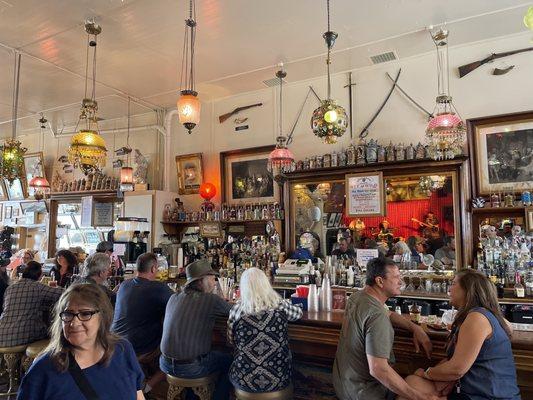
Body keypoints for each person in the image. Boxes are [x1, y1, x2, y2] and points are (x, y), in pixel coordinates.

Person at [400, 269, 520, 400]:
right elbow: (455, 363)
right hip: (473, 391)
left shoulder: (477, 317)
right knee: (413, 384)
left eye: (453, 283)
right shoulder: (483, 315)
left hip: (488, 395)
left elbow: (456, 369)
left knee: (412, 387)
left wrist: (426, 373)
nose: (449, 289)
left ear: (468, 290)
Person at [332, 257, 439, 400]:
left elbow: (388, 313)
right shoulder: (377, 315)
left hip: (344, 384)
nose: (401, 282)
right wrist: (420, 398)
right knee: (427, 390)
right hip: (366, 393)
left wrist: (414, 327)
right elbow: (378, 369)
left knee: (415, 382)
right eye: (396, 277)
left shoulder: (358, 297)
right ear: (380, 281)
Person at [18, 283, 145, 400]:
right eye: (68, 314)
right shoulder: (43, 370)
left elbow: (138, 394)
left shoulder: (123, 350)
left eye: (85, 314)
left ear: (102, 317)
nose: (74, 323)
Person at [160, 259, 232, 400]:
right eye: (212, 278)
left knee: (202, 355)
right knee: (231, 362)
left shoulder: (173, 297)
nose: (214, 282)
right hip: (191, 367)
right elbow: (237, 312)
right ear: (201, 281)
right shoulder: (210, 300)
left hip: (165, 364)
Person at [227, 268, 302, 394]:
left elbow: (231, 340)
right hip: (279, 377)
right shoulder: (280, 305)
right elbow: (298, 313)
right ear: (266, 284)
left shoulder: (236, 311)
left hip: (244, 379)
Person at [112, 252, 173, 397]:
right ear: (153, 269)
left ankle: (142, 379)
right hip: (139, 348)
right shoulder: (159, 288)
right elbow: (179, 305)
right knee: (175, 356)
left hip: (115, 343)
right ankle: (148, 387)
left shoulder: (124, 285)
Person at [0, 261, 63, 347]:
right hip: (22, 336)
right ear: (40, 275)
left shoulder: (11, 287)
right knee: (53, 332)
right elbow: (62, 293)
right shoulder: (37, 287)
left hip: (2, 333)